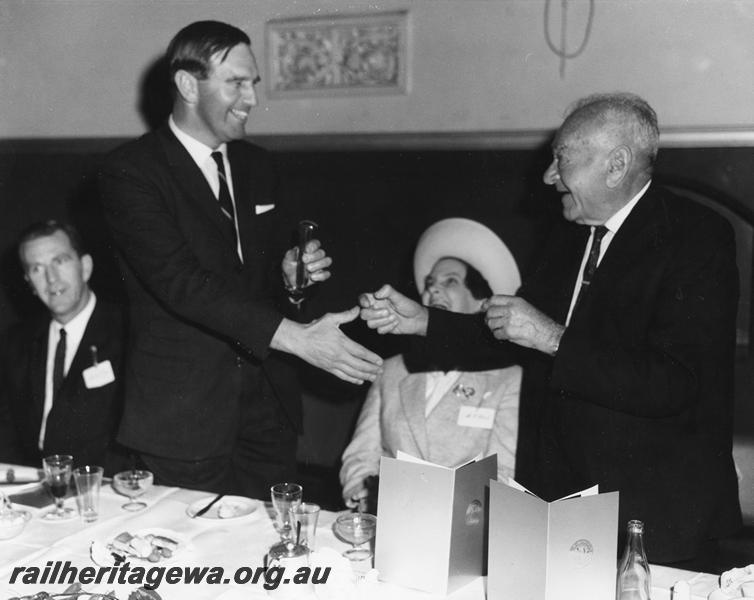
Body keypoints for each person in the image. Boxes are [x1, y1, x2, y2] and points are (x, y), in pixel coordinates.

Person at [359, 92, 741, 565]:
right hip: (564, 501)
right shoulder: (569, 235)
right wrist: (423, 322)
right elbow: (507, 333)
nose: (547, 176)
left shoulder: (697, 237)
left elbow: (674, 384)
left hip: (658, 513)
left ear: (616, 165)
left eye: (561, 159)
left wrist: (552, 338)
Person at [97, 21, 382, 497]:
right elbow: (180, 283)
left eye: (254, 84)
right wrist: (299, 340)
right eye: (237, 83)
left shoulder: (258, 166)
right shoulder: (131, 173)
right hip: (183, 417)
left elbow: (259, 279)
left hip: (268, 410)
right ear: (188, 84)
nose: (251, 99)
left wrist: (291, 276)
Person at [340, 218, 523, 510]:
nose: (433, 291)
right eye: (429, 284)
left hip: (464, 531)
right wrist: (363, 492)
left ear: (483, 301)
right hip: (389, 520)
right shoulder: (391, 370)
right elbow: (362, 454)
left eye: (450, 281)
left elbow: (505, 472)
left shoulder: (509, 379)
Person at [0, 220, 127, 473]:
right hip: (35, 487)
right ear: (29, 282)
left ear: (86, 267)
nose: (51, 278)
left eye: (60, 261)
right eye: (37, 268)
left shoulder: (129, 332)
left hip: (106, 487)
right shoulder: (16, 343)